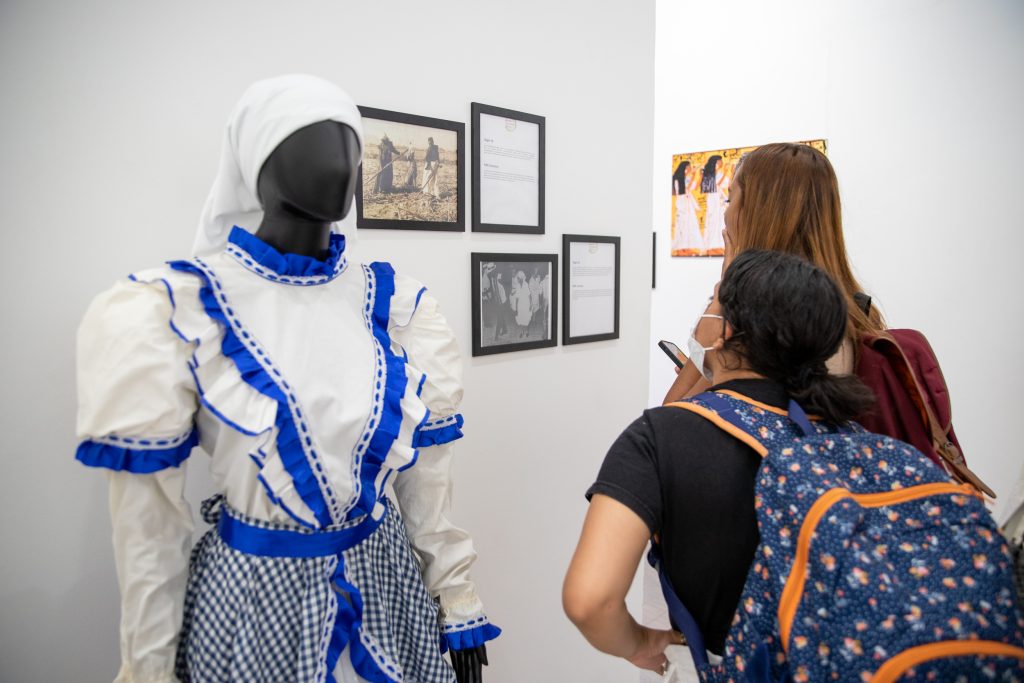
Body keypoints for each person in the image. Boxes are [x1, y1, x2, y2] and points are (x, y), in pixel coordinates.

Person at [74, 75, 498, 683]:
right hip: (249, 607)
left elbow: (426, 486)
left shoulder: (394, 303)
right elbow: (150, 530)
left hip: (390, 592)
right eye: (310, 145)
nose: (337, 164)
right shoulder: (177, 308)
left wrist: (457, 600)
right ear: (255, 166)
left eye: (350, 148)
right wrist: (148, 668)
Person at [563, 249, 875, 674]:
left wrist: (639, 642)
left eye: (712, 300)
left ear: (725, 331)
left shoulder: (659, 437)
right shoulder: (855, 440)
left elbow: (590, 600)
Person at [663, 142, 883, 404]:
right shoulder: (858, 312)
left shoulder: (764, 325)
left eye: (731, 199)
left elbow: (674, 411)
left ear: (757, 213)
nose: (726, 212)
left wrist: (725, 291)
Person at [669, 160, 705, 256]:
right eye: (689, 167)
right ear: (685, 168)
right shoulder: (678, 179)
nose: (690, 169)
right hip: (682, 205)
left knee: (689, 225)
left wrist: (699, 176)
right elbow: (686, 189)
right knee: (682, 225)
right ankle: (681, 248)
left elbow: (693, 187)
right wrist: (694, 175)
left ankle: (686, 247)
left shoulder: (684, 178)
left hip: (686, 205)